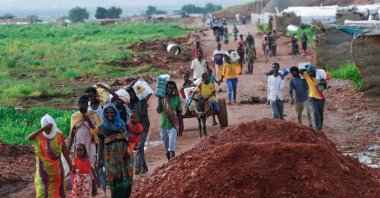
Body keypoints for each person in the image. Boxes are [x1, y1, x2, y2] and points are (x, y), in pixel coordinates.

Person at [29, 114, 74, 198]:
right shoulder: (39, 136)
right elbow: (30, 138)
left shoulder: (59, 135)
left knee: (57, 194)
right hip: (43, 173)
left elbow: (64, 152)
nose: (48, 130)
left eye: (50, 127)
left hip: (57, 172)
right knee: (42, 193)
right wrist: (42, 129)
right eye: (46, 127)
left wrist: (71, 165)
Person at [98, 104, 133, 197]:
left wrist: (128, 154)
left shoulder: (122, 124)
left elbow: (128, 139)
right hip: (110, 157)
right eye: (107, 113)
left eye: (112, 112)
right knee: (113, 179)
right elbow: (100, 144)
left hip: (125, 155)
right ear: (104, 114)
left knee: (127, 178)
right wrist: (99, 159)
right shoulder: (101, 128)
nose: (110, 114)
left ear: (115, 113)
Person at [69, 95, 100, 168]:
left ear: (87, 106)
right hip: (78, 143)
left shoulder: (92, 114)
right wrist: (69, 147)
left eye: (84, 109)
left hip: (89, 142)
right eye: (81, 109)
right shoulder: (74, 116)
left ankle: (90, 178)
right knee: (78, 163)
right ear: (78, 107)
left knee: (90, 163)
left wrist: (89, 121)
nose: (82, 112)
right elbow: (73, 132)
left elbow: (96, 132)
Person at [156, 81, 184, 160]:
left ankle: (173, 164)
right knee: (167, 149)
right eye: (168, 88)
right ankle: (170, 163)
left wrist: (181, 127)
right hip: (163, 126)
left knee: (172, 148)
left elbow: (179, 114)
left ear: (174, 89)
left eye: (172, 88)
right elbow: (158, 111)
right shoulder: (163, 99)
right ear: (166, 89)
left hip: (173, 126)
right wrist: (159, 99)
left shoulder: (177, 99)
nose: (170, 90)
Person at [127, 85, 151, 175]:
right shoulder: (129, 104)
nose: (131, 96)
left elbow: (149, 92)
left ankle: (139, 167)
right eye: (129, 95)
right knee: (139, 147)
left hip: (144, 127)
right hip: (135, 129)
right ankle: (143, 167)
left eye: (132, 94)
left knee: (140, 146)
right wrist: (132, 85)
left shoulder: (142, 101)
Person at [302, 65, 326, 131]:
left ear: (314, 72)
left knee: (320, 113)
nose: (310, 73)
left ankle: (320, 125)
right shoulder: (307, 76)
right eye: (309, 72)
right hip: (312, 98)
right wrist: (306, 67)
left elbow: (323, 88)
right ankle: (317, 127)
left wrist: (324, 81)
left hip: (321, 99)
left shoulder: (319, 78)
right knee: (316, 112)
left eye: (311, 72)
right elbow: (300, 70)